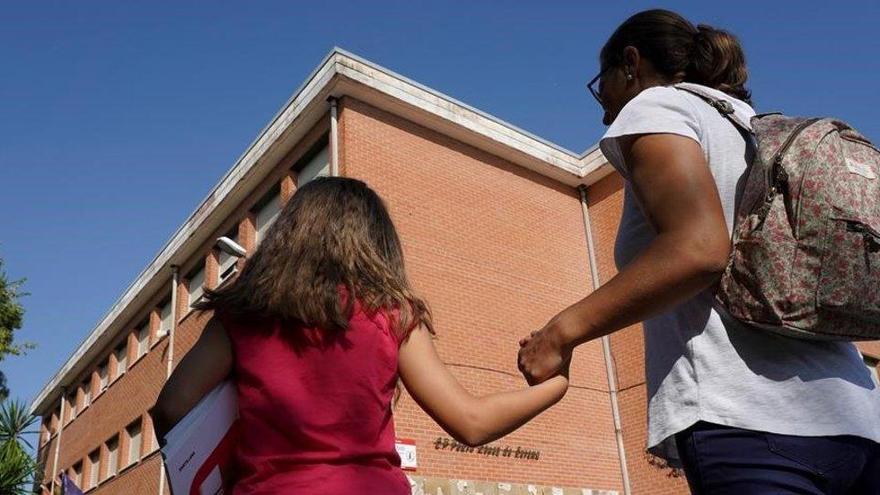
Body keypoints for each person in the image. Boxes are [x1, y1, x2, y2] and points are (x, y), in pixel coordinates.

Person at [517, 9, 880, 495]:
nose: (603, 106)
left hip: (750, 422)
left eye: (600, 83)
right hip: (857, 423)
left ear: (631, 63)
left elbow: (699, 248)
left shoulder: (658, 107)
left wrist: (560, 334)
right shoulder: (755, 128)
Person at [151, 177, 568, 495]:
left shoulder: (241, 314)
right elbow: (471, 423)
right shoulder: (393, 315)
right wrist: (558, 386)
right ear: (377, 244)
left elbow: (171, 408)